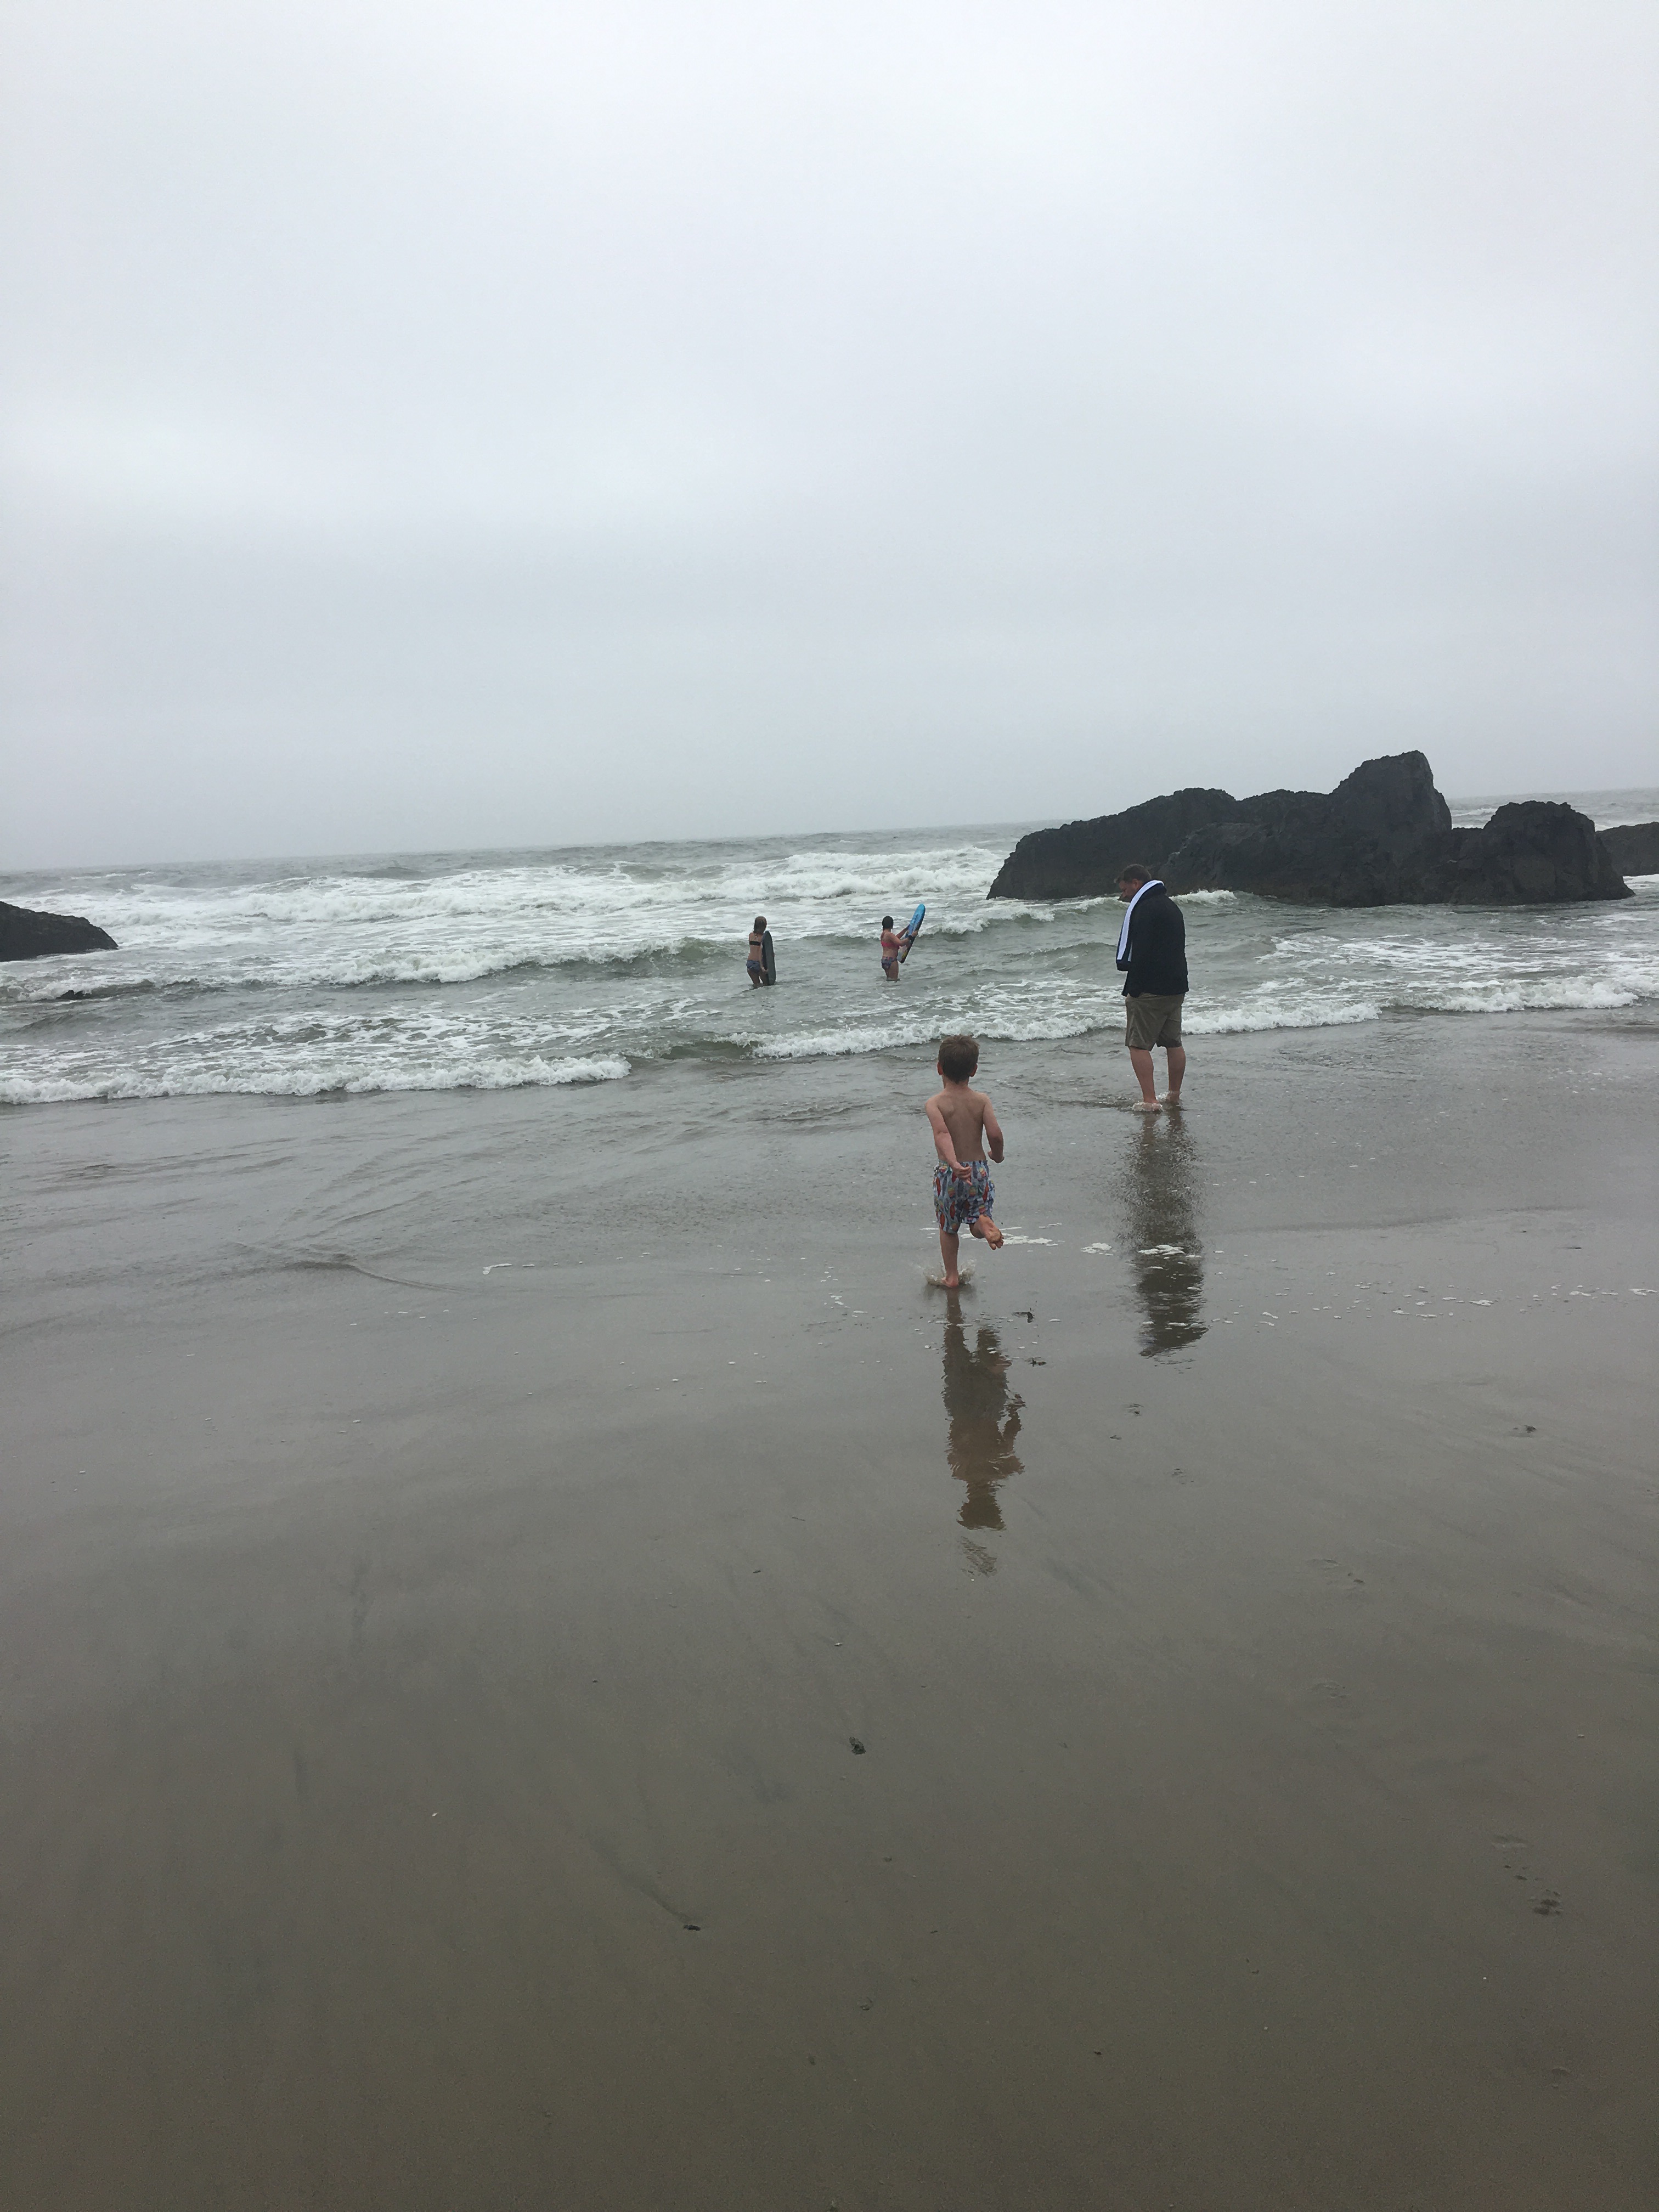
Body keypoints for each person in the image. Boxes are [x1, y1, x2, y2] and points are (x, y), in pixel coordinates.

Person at [924, 1034, 1006, 1288]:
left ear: (939, 1068)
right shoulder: (982, 1101)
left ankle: (952, 1276)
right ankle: (983, 1224)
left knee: (949, 1228)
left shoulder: (935, 1104)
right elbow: (995, 1134)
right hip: (978, 1171)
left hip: (950, 1173)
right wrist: (997, 1155)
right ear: (974, 1070)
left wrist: (954, 1163)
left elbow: (942, 1134)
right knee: (976, 1216)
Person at [1114, 864, 1187, 1112]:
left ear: (1136, 884)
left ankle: (1150, 1101)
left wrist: (1134, 989)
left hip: (1150, 989)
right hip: (1176, 986)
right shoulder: (1171, 906)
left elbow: (1141, 953)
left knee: (1138, 1045)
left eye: (1125, 890)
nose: (1123, 896)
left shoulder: (1144, 909)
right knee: (1173, 1043)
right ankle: (1174, 1095)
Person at [746, 916, 774, 987]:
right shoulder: (763, 938)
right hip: (758, 964)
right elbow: (760, 952)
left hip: (750, 964)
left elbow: (754, 949)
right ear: (764, 927)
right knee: (766, 985)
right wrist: (762, 967)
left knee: (756, 985)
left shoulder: (751, 936)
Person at [879, 915, 906, 980]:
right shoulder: (889, 935)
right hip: (891, 960)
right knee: (894, 981)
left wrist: (905, 930)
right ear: (892, 925)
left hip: (885, 960)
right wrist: (911, 937)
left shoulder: (883, 934)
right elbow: (901, 943)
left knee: (889, 980)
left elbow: (895, 938)